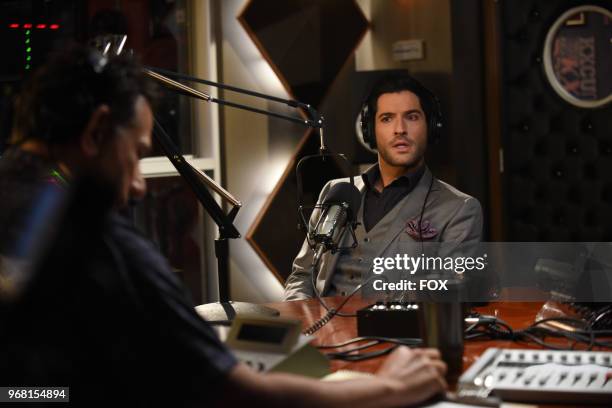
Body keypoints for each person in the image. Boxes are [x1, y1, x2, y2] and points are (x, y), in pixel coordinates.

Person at [0, 46, 448, 407]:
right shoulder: (106, 245)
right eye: (135, 155)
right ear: (97, 132)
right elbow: (240, 393)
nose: (137, 186)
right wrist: (389, 388)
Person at [284, 74, 483, 301]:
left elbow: (448, 290)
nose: (400, 129)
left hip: (395, 333)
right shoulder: (336, 191)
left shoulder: (459, 209)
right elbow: (301, 275)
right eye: (387, 118)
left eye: (412, 117)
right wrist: (303, 322)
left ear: (431, 126)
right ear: (369, 131)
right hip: (322, 333)